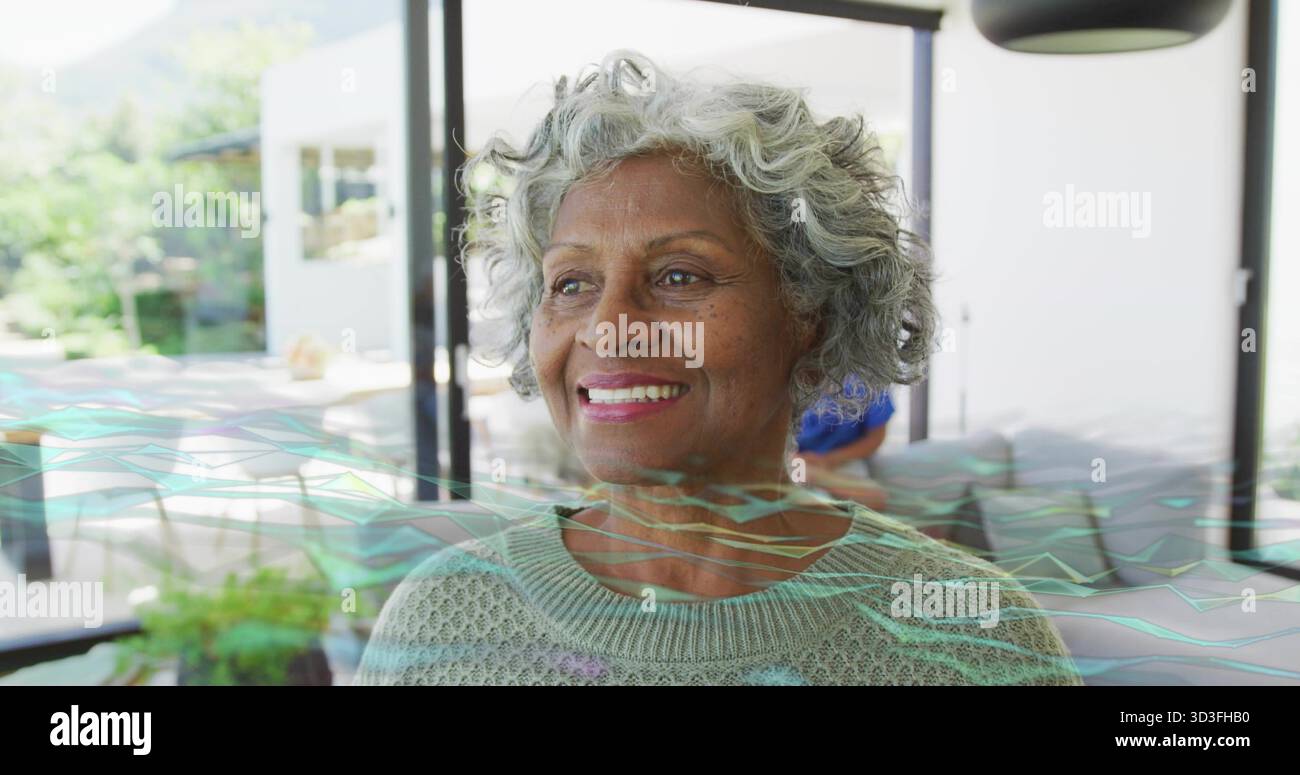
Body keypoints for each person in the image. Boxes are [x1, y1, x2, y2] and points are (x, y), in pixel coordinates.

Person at [354, 51, 1081, 685]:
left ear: (810, 313)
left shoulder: (978, 636)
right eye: (571, 283)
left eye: (679, 276)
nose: (610, 328)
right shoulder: (438, 619)